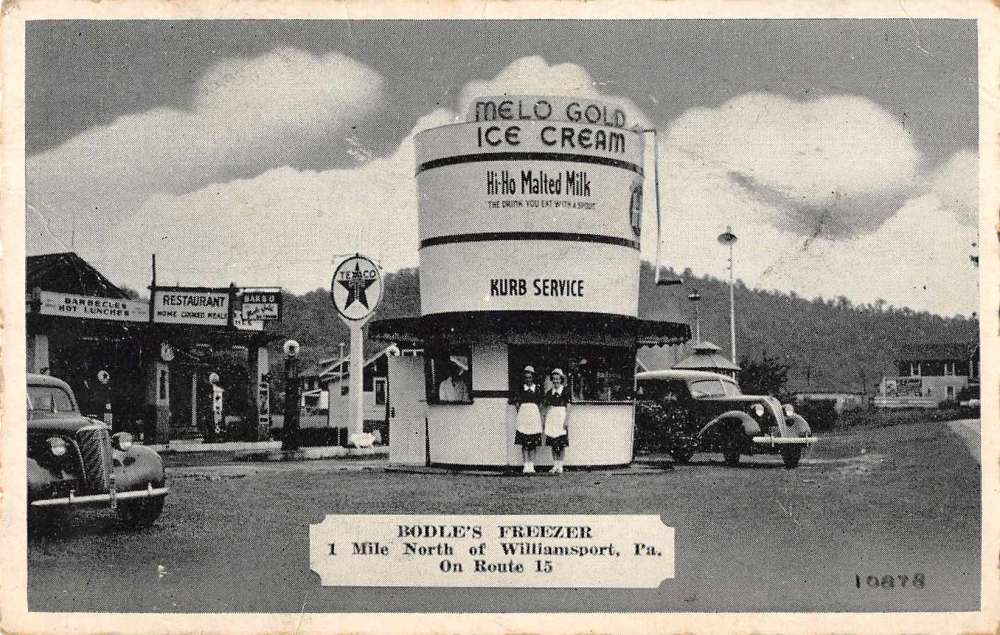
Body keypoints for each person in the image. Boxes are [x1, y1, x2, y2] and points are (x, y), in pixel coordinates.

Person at [513, 365, 543, 473]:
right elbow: (517, 403)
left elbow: (540, 403)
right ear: (524, 378)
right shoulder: (521, 389)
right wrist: (522, 413)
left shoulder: (538, 388)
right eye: (526, 378)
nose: (528, 380)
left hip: (534, 415)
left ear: (533, 377)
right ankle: (525, 465)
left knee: (533, 443)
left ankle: (531, 465)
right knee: (525, 443)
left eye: (530, 377)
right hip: (524, 415)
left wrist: (534, 412)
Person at [543, 368, 571, 473]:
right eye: (554, 379)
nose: (555, 381)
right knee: (553, 443)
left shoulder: (565, 391)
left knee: (561, 443)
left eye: (558, 379)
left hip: (561, 417)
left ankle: (560, 465)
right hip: (552, 418)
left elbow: (568, 407)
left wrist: (566, 421)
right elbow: (546, 407)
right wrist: (545, 420)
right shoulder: (549, 392)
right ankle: (555, 465)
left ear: (561, 379)